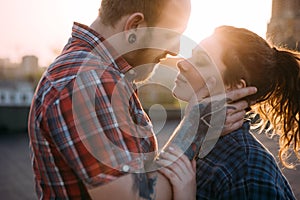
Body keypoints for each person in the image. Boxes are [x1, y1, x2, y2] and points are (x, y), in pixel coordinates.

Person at [27, 0, 257, 198]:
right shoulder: (88, 82)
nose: (176, 51)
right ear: (134, 27)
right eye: (171, 36)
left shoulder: (98, 74)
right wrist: (194, 126)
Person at [162, 25, 298, 199]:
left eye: (201, 61)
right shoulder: (200, 142)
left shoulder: (247, 167)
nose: (182, 63)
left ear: (233, 87)